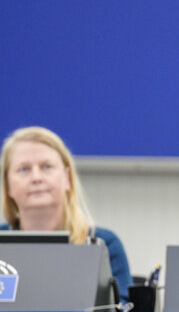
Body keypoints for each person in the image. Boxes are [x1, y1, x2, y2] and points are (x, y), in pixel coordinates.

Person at [1, 126, 132, 302]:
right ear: (7, 185)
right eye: (24, 169)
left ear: (67, 178)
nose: (36, 177)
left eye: (47, 166)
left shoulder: (103, 244)